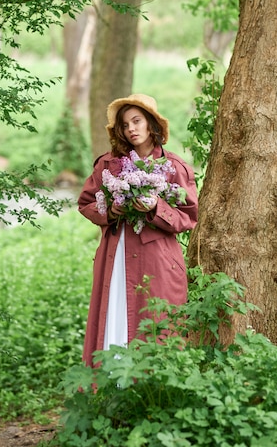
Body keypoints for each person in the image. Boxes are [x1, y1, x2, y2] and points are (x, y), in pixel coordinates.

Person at [78, 93, 198, 367]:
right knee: (116, 310)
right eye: (124, 125)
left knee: (155, 319)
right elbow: (86, 201)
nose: (131, 129)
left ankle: (152, 389)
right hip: (116, 253)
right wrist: (110, 211)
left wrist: (156, 207)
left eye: (137, 121)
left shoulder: (174, 167)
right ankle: (111, 387)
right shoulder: (108, 165)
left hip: (156, 257)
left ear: (151, 124)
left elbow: (188, 216)